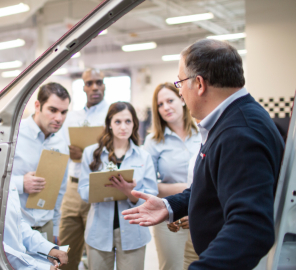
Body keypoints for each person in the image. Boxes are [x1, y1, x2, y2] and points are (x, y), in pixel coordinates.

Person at [122, 39, 285, 270]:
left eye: (180, 82)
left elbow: (251, 227)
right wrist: (170, 206)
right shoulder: (230, 121)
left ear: (199, 84)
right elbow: (212, 186)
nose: (179, 91)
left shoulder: (239, 133)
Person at [78, 102, 158, 270]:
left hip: (134, 232)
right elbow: (83, 192)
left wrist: (130, 193)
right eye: (118, 122)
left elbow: (151, 196)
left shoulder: (143, 157)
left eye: (128, 121)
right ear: (109, 124)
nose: (123, 127)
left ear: (134, 124)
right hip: (99, 233)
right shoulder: (91, 154)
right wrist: (103, 187)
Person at [143, 82, 201, 270]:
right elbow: (148, 184)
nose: (166, 107)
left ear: (182, 100)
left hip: (201, 211)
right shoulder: (153, 141)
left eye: (170, 100)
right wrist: (188, 189)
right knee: (172, 266)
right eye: (160, 104)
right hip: (170, 214)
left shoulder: (203, 132)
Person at [58, 68, 110, 270]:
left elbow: (120, 151)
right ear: (83, 87)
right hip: (73, 188)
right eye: (89, 83)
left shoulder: (112, 114)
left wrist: (88, 155)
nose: (94, 86)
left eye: (99, 82)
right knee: (66, 250)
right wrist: (68, 153)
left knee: (98, 252)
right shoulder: (72, 117)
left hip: (99, 187)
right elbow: (59, 145)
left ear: (104, 85)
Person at [11, 82, 71, 244]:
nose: (59, 118)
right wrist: (21, 183)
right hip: (15, 224)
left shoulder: (61, 145)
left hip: (45, 226)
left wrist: (56, 228)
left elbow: (60, 191)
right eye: (52, 110)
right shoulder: (13, 136)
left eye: (63, 112)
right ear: (38, 106)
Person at [4, 180, 68, 270]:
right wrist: (41, 267)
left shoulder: (9, 183)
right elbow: (0, 249)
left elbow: (19, 225)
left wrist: (48, 250)